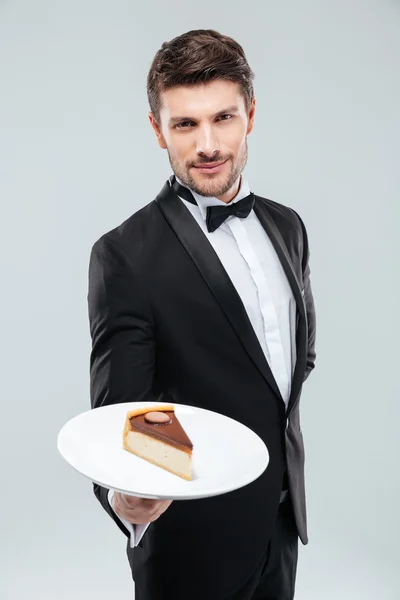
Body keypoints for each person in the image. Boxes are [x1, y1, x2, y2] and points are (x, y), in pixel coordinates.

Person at [87, 28, 316, 600]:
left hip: (281, 530)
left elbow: (289, 364)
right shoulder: (123, 256)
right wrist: (124, 497)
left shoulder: (289, 228)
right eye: (185, 124)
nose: (208, 144)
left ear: (251, 115)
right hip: (188, 546)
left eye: (224, 118)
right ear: (157, 129)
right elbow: (121, 412)